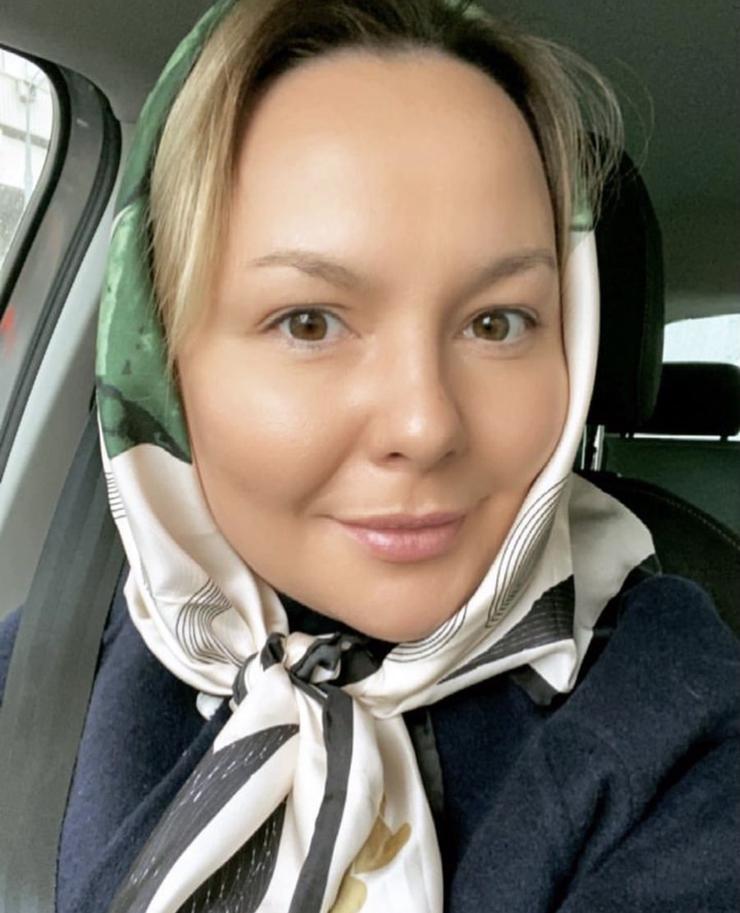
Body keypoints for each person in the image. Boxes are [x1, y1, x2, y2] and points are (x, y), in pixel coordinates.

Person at [1, 0, 738, 910]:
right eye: (309, 322)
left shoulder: (678, 720)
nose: (425, 425)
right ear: (164, 357)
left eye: (496, 323)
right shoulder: (39, 677)